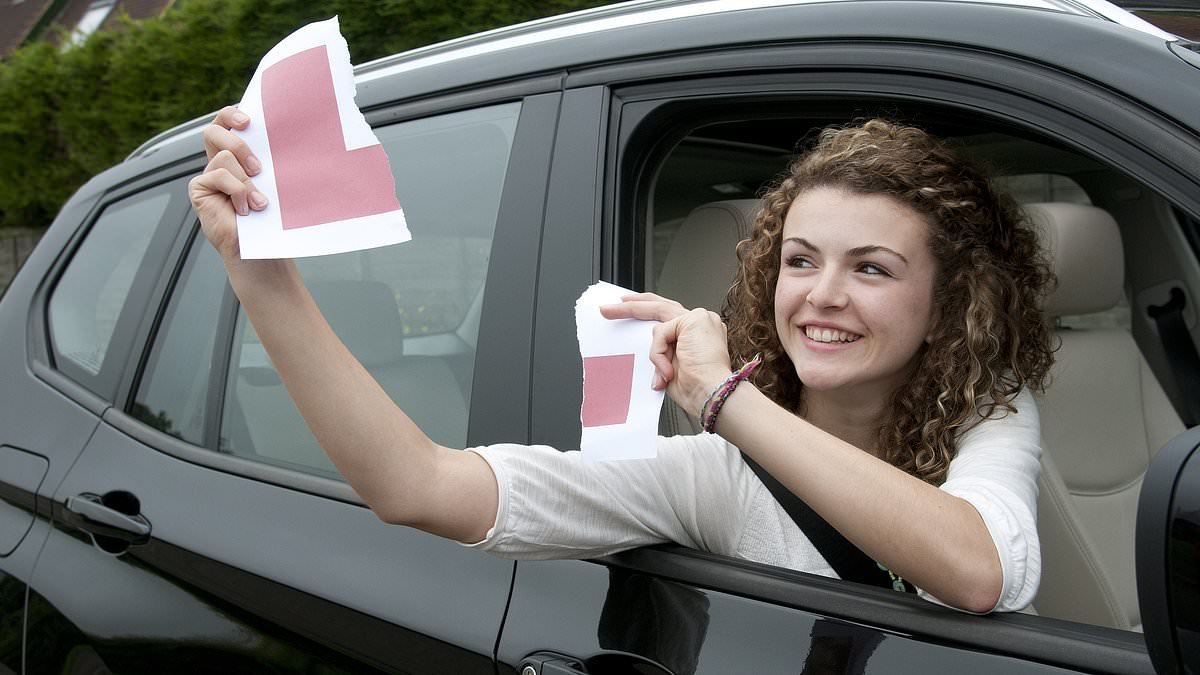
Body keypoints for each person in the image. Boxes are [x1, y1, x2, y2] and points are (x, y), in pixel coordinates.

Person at [190, 114, 1053, 614]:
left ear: (948, 301)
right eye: (800, 260)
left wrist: (725, 397)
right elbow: (416, 486)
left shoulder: (990, 414)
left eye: (870, 267)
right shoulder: (711, 473)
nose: (821, 294)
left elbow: (979, 568)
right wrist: (261, 278)